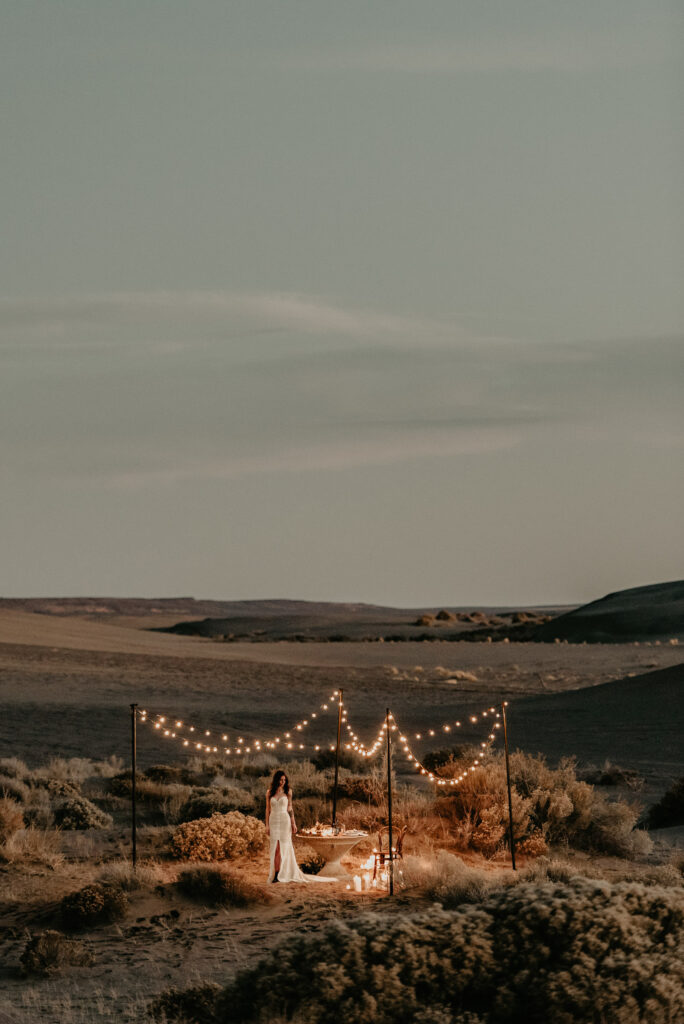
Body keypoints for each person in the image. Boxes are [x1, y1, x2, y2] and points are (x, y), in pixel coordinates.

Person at [265, 769, 335, 884]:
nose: (282, 782)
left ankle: (283, 873)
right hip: (273, 821)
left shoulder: (288, 792)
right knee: (275, 849)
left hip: (284, 821)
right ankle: (276, 873)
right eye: (280, 780)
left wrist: (293, 823)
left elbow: (290, 809)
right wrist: (267, 825)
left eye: (284, 780)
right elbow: (267, 809)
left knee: (284, 847)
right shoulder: (269, 792)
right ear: (276, 780)